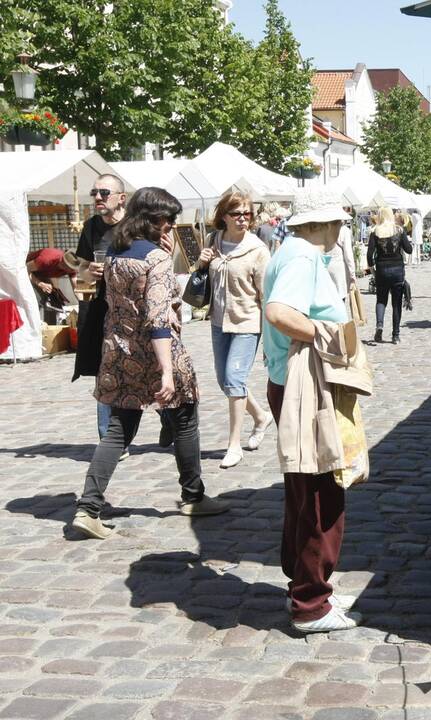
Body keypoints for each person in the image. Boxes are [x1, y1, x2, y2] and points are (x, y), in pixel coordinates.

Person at [70, 187, 228, 540]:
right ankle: (193, 496)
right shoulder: (154, 259)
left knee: (118, 431)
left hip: (120, 351)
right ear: (150, 218)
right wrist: (168, 371)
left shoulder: (113, 251)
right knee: (185, 416)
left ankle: (88, 507)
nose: (172, 226)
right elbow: (158, 318)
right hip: (156, 351)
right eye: (167, 219)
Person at [262, 186, 360, 633]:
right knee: (321, 491)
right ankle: (311, 604)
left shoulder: (295, 251)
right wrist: (326, 334)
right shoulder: (302, 256)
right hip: (304, 387)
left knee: (307, 492)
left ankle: (307, 588)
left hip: (296, 383)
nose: (341, 228)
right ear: (322, 223)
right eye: (337, 220)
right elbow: (279, 312)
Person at [196, 191, 273, 469]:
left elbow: (266, 295)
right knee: (225, 381)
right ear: (224, 216)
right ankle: (261, 417)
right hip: (218, 321)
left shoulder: (258, 250)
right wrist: (201, 262)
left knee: (233, 379)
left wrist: (270, 339)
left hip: (247, 323)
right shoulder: (212, 241)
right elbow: (203, 277)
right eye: (237, 214)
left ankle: (233, 445)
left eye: (247, 214)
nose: (243, 219)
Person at [72, 174, 135, 457]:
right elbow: (81, 268)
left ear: (121, 197)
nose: (98, 197)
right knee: (103, 371)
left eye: (104, 192)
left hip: (133, 309)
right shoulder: (90, 227)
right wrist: (88, 272)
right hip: (101, 308)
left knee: (147, 369)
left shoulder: (136, 227)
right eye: (94, 192)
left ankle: (170, 419)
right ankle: (108, 438)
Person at [366, 206, 412, 344]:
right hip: (397, 269)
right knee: (396, 302)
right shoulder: (398, 230)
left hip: (381, 269)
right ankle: (395, 335)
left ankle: (379, 325)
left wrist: (372, 269)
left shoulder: (375, 232)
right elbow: (409, 250)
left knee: (381, 300)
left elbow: (369, 255)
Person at [26, 247, 77, 322]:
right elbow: (25, 269)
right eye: (70, 269)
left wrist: (83, 304)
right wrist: (40, 283)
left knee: (53, 299)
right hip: (25, 273)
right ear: (64, 263)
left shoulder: (71, 267)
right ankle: (33, 325)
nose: (72, 271)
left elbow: (76, 288)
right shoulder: (47, 259)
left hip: (41, 274)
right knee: (37, 299)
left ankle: (51, 326)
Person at [326, 207, 356, 302]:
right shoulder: (344, 230)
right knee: (340, 299)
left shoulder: (324, 230)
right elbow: (348, 254)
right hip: (339, 269)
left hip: (325, 266)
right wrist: (352, 274)